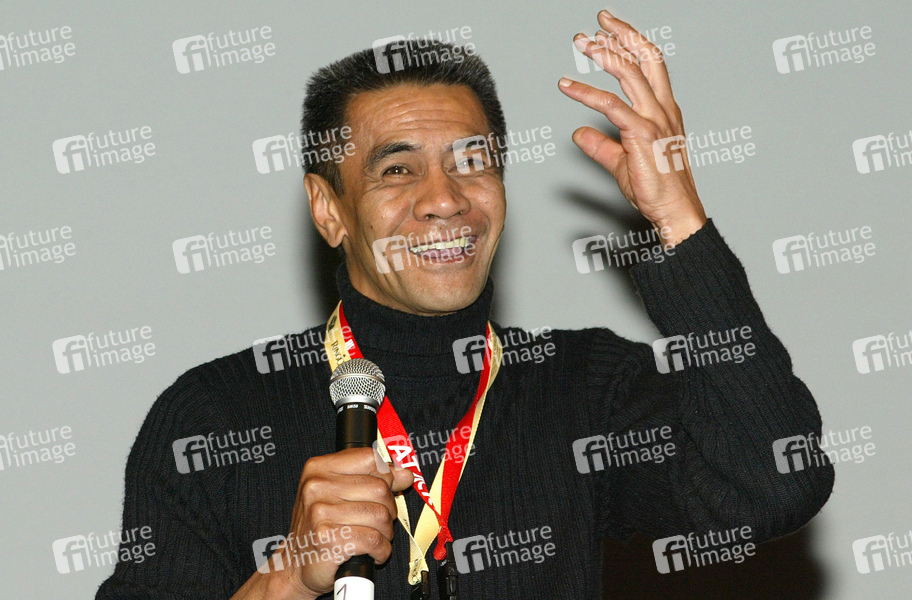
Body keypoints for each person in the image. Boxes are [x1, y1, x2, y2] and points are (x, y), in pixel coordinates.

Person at [97, 11, 834, 600]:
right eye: (397, 169)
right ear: (329, 209)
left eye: (473, 162)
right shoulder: (214, 417)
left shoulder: (582, 387)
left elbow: (776, 481)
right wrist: (287, 578)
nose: (446, 199)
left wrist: (677, 215)